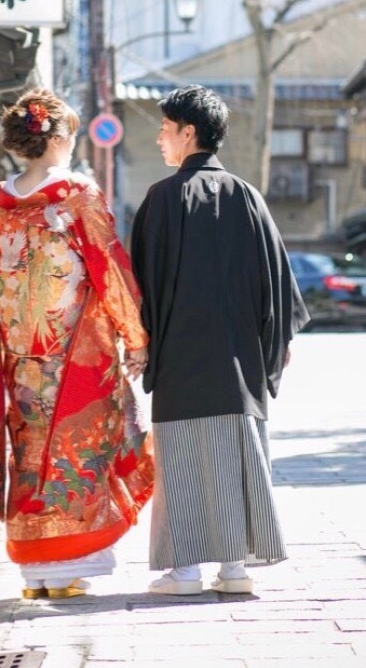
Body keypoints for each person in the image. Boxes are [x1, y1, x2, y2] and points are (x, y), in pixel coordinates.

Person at [0, 87, 154, 600]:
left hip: (19, 351)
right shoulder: (76, 194)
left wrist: (14, 323)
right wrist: (134, 335)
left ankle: (36, 574)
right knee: (78, 453)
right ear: (57, 138)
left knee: (29, 454)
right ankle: (69, 566)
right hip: (76, 348)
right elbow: (108, 266)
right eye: (70, 133)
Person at [129, 85, 309, 596]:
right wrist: (275, 344)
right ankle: (234, 567)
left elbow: (139, 282)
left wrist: (139, 342)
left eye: (166, 129)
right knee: (234, 457)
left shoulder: (162, 199)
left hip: (180, 359)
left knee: (183, 460)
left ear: (189, 133)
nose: (161, 138)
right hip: (238, 362)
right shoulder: (246, 196)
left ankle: (184, 570)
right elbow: (276, 280)